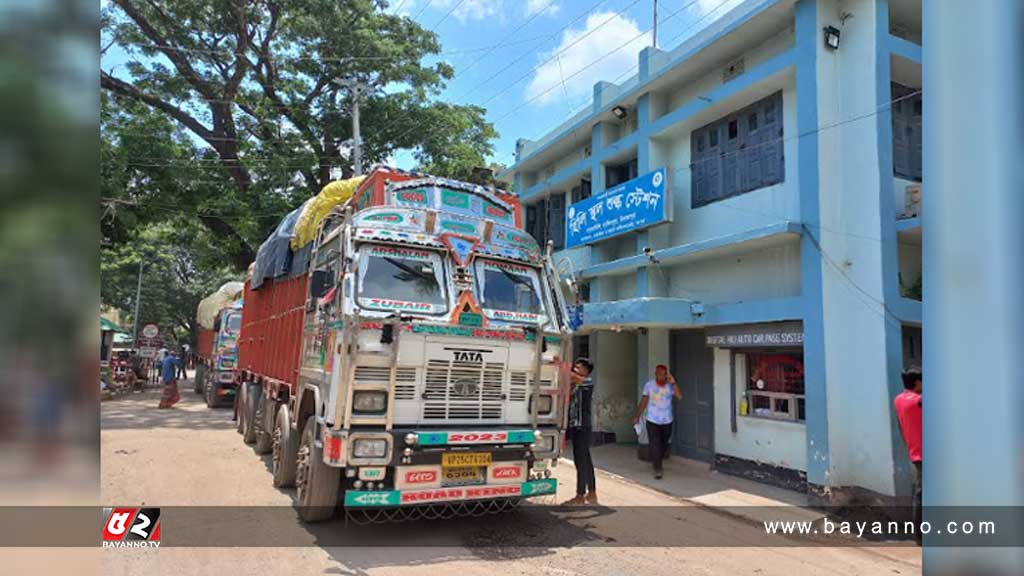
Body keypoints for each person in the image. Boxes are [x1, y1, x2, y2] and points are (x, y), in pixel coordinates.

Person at [634, 365, 682, 479]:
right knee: (655, 444)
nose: (662, 376)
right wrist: (637, 416)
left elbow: (679, 396)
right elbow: (644, 401)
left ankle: (658, 460)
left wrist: (673, 383)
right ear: (656, 374)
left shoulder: (670, 386)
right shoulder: (649, 385)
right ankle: (658, 468)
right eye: (660, 374)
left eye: (664, 374)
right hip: (652, 420)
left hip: (667, 420)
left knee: (664, 445)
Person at [894, 367, 922, 545]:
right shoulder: (919, 401)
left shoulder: (898, 400)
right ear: (918, 382)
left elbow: (901, 427)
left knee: (921, 493)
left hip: (915, 452)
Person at [562, 358, 596, 505]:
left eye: (578, 367)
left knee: (581, 461)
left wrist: (562, 366)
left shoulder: (588, 382)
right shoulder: (576, 385)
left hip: (582, 426)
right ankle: (592, 492)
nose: (575, 369)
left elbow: (573, 377)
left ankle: (580, 495)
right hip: (576, 425)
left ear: (585, 370)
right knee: (585, 460)